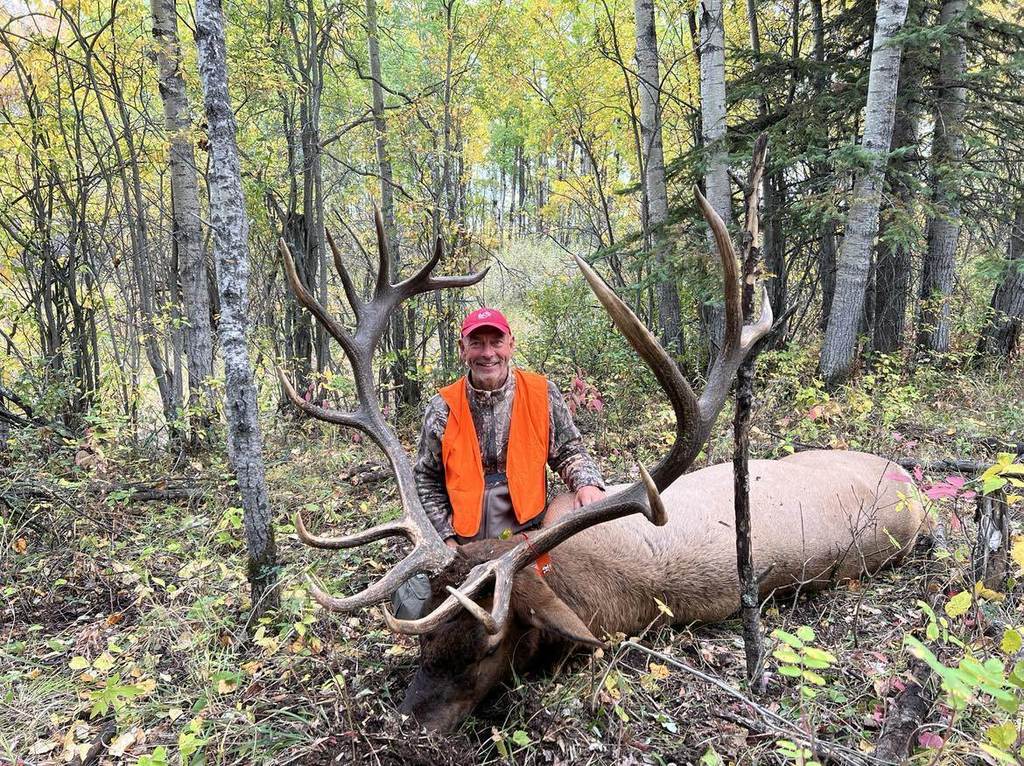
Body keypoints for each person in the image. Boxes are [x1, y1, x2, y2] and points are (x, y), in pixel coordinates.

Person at [391, 307, 606, 618]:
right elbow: (425, 478)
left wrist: (586, 483)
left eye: (496, 342)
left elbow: (569, 450)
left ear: (511, 344)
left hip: (529, 535)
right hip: (463, 544)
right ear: (462, 348)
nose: (488, 353)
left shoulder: (542, 393)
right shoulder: (442, 408)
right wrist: (446, 539)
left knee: (570, 589)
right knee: (412, 608)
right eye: (477, 343)